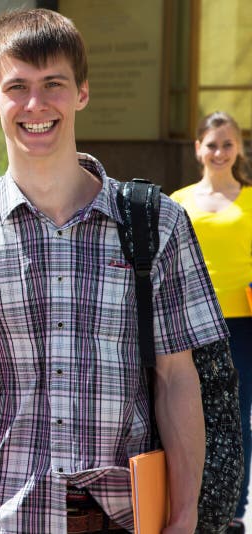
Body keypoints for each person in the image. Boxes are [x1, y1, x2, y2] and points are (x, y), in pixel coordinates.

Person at [0, 9, 228, 533]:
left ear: (82, 92)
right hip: (7, 505)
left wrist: (184, 515)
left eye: (54, 84)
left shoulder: (155, 221)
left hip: (130, 511)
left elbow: (177, 378)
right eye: (17, 86)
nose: (36, 104)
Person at [171, 110, 252, 532]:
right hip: (189, 324)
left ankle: (233, 513)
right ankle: (191, 503)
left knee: (237, 418)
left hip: (242, 325)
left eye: (227, 144)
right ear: (198, 147)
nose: (219, 152)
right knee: (186, 414)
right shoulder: (178, 201)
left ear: (238, 148)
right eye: (212, 143)